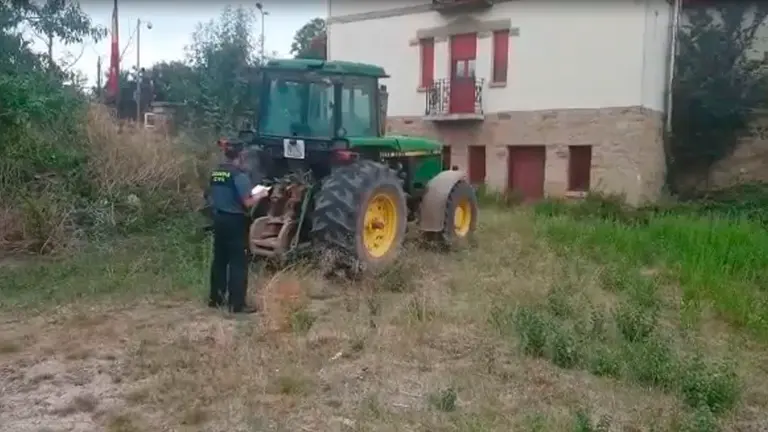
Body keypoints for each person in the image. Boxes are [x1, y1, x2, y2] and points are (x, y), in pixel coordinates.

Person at [208, 139, 269, 314]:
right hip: (235, 221)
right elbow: (248, 202)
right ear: (241, 155)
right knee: (238, 263)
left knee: (219, 260)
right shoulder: (239, 176)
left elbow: (210, 195)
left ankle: (216, 299)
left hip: (218, 219)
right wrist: (262, 194)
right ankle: (237, 304)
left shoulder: (216, 173)